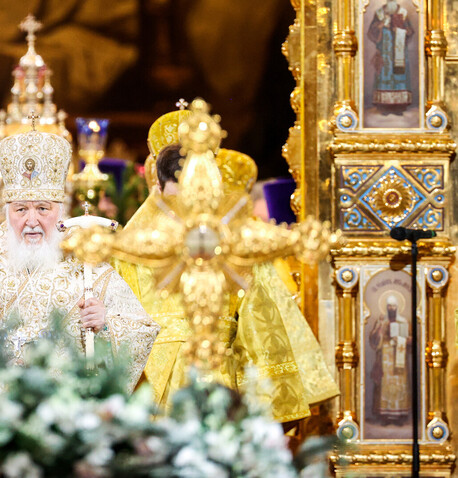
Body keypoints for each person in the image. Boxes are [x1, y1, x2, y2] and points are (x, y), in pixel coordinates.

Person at [116, 111, 337, 421]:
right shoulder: (130, 245)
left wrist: (263, 397)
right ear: (160, 186)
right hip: (149, 387)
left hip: (217, 380)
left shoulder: (234, 241)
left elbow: (259, 322)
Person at [0, 127, 159, 389]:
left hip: (62, 411)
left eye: (42, 208)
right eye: (20, 209)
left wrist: (106, 324)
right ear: (6, 211)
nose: (31, 221)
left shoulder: (85, 260)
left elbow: (142, 330)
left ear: (60, 210)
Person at [368, 293, 411, 424]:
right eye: (389, 306)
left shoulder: (403, 321)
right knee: (384, 385)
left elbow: (411, 341)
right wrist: (380, 327)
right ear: (386, 307)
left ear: (397, 307)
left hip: (399, 357)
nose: (391, 308)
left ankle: (399, 416)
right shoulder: (382, 321)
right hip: (385, 358)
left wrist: (401, 339)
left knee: (400, 384)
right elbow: (374, 340)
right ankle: (385, 416)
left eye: (393, 306)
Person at [367, 0, 414, 115]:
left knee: (399, 74)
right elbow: (371, 31)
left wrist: (401, 29)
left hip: (399, 51)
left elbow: (410, 31)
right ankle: (384, 107)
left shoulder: (403, 12)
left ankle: (399, 107)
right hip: (385, 51)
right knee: (384, 73)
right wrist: (380, 26)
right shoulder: (379, 13)